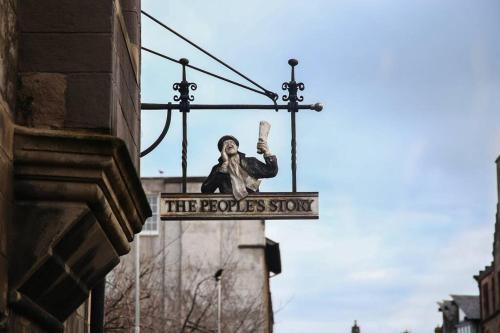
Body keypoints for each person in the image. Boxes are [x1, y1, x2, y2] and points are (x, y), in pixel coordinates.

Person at [201, 135, 278, 200]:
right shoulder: (218, 169)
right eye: (225, 143)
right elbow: (206, 190)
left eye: (232, 142)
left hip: (253, 207)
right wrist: (225, 165)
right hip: (229, 210)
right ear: (222, 150)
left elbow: (271, 171)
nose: (229, 144)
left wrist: (267, 152)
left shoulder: (251, 162)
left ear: (237, 147)